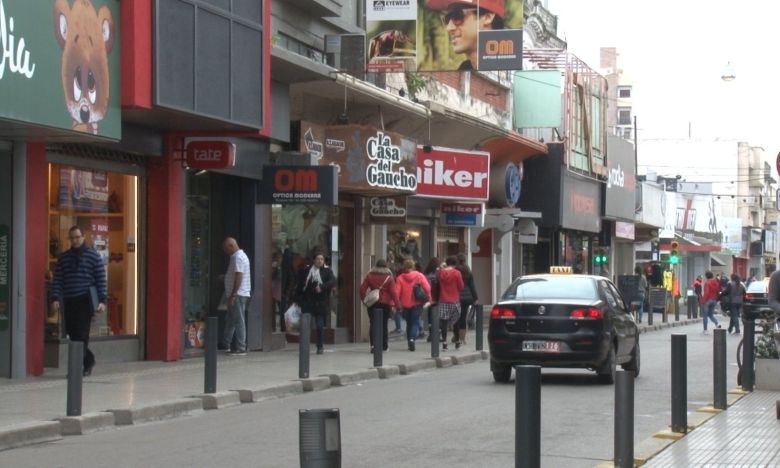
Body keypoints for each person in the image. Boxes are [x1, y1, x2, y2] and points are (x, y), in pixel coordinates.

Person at [50, 226, 107, 376]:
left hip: (84, 300)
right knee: (73, 335)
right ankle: (89, 359)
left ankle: (76, 368)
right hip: (69, 300)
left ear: (83, 237)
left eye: (77, 237)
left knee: (81, 335)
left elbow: (101, 279)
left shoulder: (93, 256)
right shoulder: (64, 258)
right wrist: (55, 297)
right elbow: (58, 279)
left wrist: (102, 300)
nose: (75, 240)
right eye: (72, 238)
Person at [428, 0, 505, 71]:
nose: (449, 28)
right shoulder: (464, 68)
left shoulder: (508, 68)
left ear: (487, 17)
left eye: (457, 16)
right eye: (447, 19)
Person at [296, 253, 336, 354]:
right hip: (308, 301)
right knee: (306, 326)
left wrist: (322, 287)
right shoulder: (307, 270)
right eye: (317, 259)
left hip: (321, 302)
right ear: (314, 260)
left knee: (319, 325)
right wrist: (298, 299)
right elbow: (300, 284)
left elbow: (332, 281)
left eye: (321, 259)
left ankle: (320, 346)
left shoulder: (327, 271)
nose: (319, 261)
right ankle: (305, 346)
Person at [359, 259, 401, 353]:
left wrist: (364, 300)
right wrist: (398, 306)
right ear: (386, 266)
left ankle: (373, 346)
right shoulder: (389, 277)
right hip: (385, 304)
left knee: (373, 324)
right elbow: (394, 293)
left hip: (373, 303)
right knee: (383, 325)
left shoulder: (370, 276)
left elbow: (362, 289)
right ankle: (384, 346)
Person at [221, 237, 251, 355]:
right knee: (231, 319)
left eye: (226, 249)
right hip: (238, 294)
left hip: (238, 294)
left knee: (238, 320)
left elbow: (239, 276)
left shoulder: (238, 257)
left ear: (231, 246)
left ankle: (241, 347)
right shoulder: (239, 256)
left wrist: (233, 294)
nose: (225, 252)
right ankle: (226, 342)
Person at [395, 258, 431, 352]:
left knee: (409, 323)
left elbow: (397, 292)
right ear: (413, 266)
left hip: (405, 305)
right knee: (415, 322)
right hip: (417, 303)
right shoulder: (419, 276)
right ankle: (412, 339)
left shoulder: (400, 278)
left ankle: (409, 342)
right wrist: (429, 298)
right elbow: (427, 288)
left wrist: (395, 304)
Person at [436, 256, 464, 350]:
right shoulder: (457, 273)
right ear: (455, 264)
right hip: (454, 300)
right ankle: (457, 341)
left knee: (444, 322)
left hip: (443, 299)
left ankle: (444, 342)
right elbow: (461, 287)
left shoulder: (441, 273)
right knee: (456, 321)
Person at [454, 253, 478, 348]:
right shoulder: (468, 271)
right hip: (467, 297)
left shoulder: (455, 271)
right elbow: (472, 286)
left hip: (457, 296)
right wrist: (475, 298)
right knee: (463, 317)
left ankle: (456, 336)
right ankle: (462, 338)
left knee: (456, 317)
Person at [423, 257, 442, 341]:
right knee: (438, 316)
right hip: (437, 297)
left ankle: (431, 334)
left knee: (430, 315)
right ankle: (437, 334)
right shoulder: (439, 274)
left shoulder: (426, 273)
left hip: (428, 297)